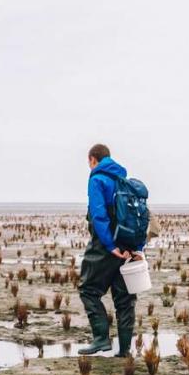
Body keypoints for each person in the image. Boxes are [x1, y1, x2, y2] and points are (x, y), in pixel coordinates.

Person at [78, 144, 145, 356]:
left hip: (106, 246)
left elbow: (98, 216)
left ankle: (101, 339)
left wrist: (110, 246)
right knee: (124, 300)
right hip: (129, 244)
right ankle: (124, 351)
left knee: (88, 289)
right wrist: (137, 248)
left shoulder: (97, 179)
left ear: (92, 159)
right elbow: (140, 217)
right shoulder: (123, 181)